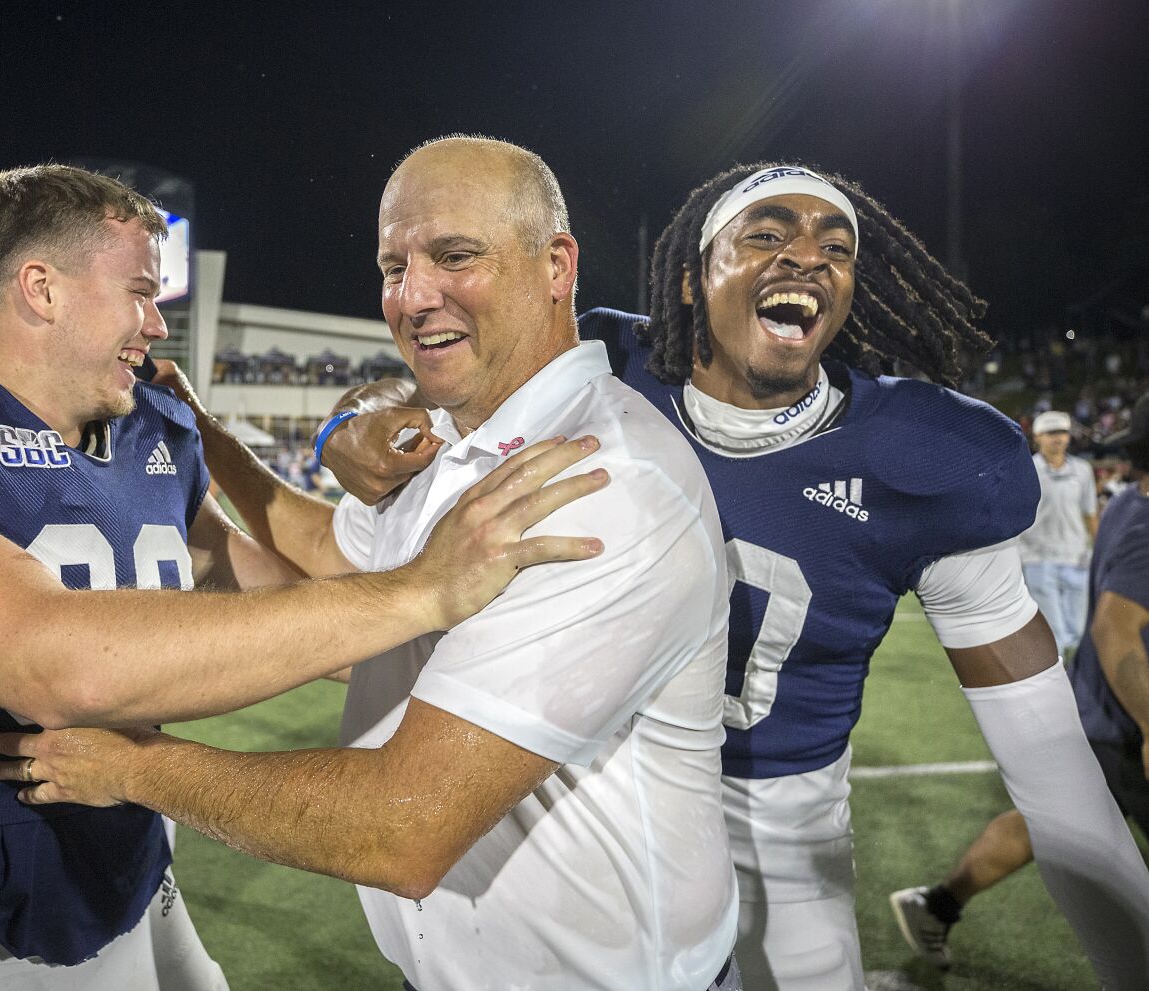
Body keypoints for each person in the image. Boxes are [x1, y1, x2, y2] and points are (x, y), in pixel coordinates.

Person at [0, 163, 605, 989]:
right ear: (42, 289)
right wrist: (421, 588)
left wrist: (526, 618)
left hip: (130, 867)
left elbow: (277, 606)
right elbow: (51, 662)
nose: (156, 326)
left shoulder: (152, 432)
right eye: (141, 294)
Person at [319, 162, 1149, 990]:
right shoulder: (597, 368)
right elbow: (435, 374)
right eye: (766, 234)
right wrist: (352, 418)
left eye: (836, 247)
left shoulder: (922, 460)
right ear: (689, 279)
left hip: (783, 859)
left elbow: (1060, 789)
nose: (807, 257)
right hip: (589, 826)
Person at [0, 136, 742, 991]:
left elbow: (402, 828)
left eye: (454, 256)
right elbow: (325, 555)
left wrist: (130, 765)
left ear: (556, 264)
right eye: (392, 265)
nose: (412, 296)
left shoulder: (599, 478)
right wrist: (200, 435)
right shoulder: (455, 442)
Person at [891, 394, 1149, 975]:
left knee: (1048, 821)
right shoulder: (1144, 522)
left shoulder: (1129, 501)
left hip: (1101, 714)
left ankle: (937, 903)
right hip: (1129, 722)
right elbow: (1116, 629)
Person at [1018, 409, 1098, 656]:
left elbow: (1089, 513)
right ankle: (1060, 683)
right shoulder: (1026, 470)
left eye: (1062, 432)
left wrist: (1098, 550)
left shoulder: (1083, 470)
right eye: (1051, 433)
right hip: (1038, 557)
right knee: (1055, 632)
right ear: (1037, 437)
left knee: (1078, 629)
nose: (1058, 438)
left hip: (1076, 557)